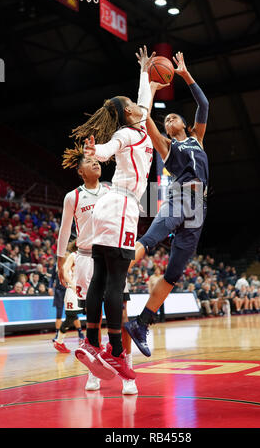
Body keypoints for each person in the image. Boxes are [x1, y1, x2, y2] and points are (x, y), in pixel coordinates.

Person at [74, 46, 165, 380]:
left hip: (107, 208)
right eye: (133, 106)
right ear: (128, 114)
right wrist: (94, 150)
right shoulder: (129, 133)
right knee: (116, 280)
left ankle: (90, 343)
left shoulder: (139, 127)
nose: (139, 107)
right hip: (121, 207)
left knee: (100, 277)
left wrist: (144, 72)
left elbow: (144, 102)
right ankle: (114, 352)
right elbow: (109, 148)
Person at [124, 51, 209, 357]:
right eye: (167, 119)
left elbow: (204, 104)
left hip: (199, 207)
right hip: (178, 197)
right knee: (150, 239)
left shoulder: (197, 138)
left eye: (174, 117)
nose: (170, 119)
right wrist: (148, 82)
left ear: (186, 124)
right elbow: (143, 116)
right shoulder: (166, 146)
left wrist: (185, 74)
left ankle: (141, 323)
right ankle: (117, 265)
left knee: (174, 273)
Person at [57, 143, 137, 394]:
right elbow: (63, 229)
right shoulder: (73, 196)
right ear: (80, 171)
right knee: (94, 319)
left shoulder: (112, 190)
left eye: (98, 161)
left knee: (121, 316)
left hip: (112, 255)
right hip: (85, 258)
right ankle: (94, 372)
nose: (96, 163)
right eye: (90, 162)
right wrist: (61, 261)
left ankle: (127, 373)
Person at [53, 243, 85, 354]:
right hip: (73, 291)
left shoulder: (87, 256)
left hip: (85, 290)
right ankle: (59, 341)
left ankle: (91, 342)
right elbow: (64, 271)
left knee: (92, 314)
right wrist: (72, 284)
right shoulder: (73, 255)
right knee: (70, 318)